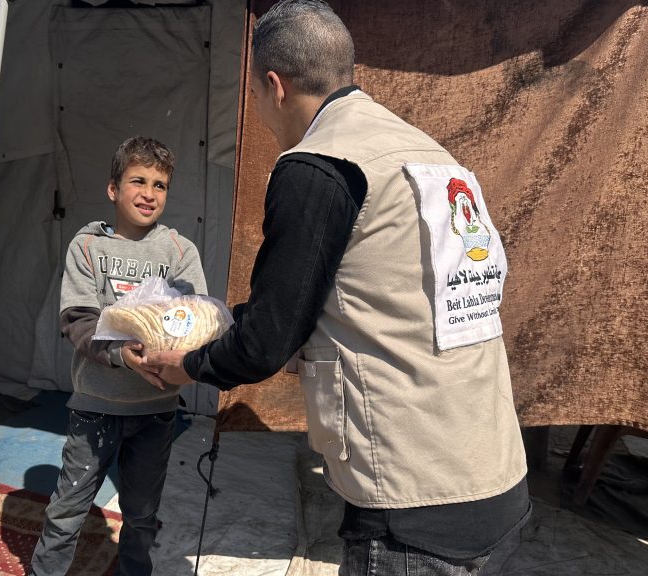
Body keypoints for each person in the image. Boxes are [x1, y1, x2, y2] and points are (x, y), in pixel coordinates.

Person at [143, 1, 531, 574]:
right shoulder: (434, 159)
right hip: (495, 476)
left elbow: (268, 340)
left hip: (412, 503)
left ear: (274, 85)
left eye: (253, 93)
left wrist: (186, 366)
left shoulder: (320, 165)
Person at [29, 136, 207, 576]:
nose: (149, 193)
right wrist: (124, 355)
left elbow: (194, 319)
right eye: (138, 181)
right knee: (68, 511)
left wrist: (181, 348)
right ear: (113, 189)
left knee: (142, 513)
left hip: (156, 410)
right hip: (95, 409)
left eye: (160, 185)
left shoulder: (180, 252)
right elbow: (79, 322)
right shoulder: (88, 247)